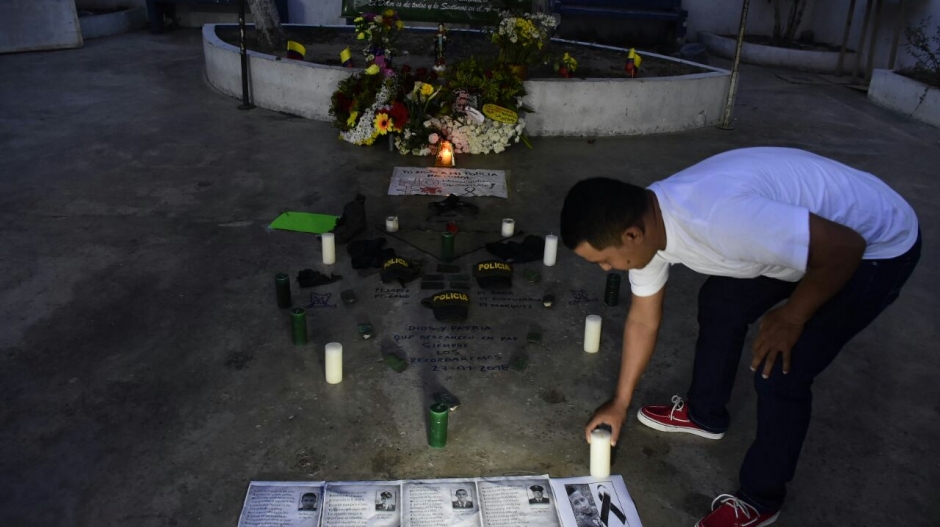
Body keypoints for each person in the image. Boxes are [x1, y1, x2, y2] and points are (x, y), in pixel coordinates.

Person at [561, 147, 921, 527]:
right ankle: (705, 413)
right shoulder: (648, 221)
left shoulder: (719, 219)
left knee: (782, 368)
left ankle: (761, 499)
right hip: (812, 232)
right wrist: (620, 402)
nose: (604, 269)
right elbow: (643, 321)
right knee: (721, 302)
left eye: (602, 260)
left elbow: (846, 248)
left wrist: (792, 317)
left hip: (876, 246)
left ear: (631, 235)